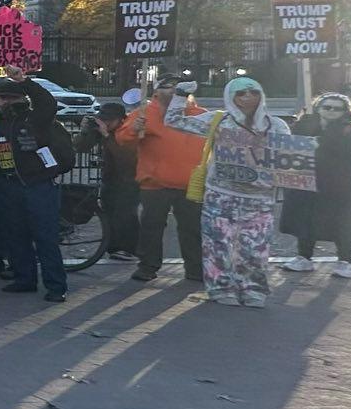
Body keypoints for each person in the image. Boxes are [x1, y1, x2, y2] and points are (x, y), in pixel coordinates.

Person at [163, 76, 300, 307]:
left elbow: (285, 160)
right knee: (217, 245)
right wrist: (180, 95)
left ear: (261, 95)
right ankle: (220, 288)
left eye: (253, 92)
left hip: (259, 198)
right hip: (220, 195)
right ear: (230, 96)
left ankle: (253, 289)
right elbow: (174, 121)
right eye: (241, 93)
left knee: (255, 248)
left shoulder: (276, 125)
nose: (247, 97)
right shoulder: (218, 120)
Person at [0, 67, 72, 302]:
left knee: (45, 238)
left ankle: (56, 287)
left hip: (38, 186)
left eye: (11, 97)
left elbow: (47, 102)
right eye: (3, 98)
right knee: (16, 236)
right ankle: (24, 279)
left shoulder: (35, 119)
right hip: (9, 187)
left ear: (21, 99)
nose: (5, 102)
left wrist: (23, 80)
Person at [124, 76, 206, 283]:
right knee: (151, 226)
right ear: (156, 92)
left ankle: (196, 269)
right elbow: (122, 139)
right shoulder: (143, 114)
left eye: (177, 87)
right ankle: (147, 266)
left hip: (191, 184)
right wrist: (134, 129)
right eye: (168, 87)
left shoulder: (201, 115)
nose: (173, 90)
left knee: (192, 228)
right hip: (155, 183)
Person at [280, 92, 351, 278]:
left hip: (340, 185)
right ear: (318, 108)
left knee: (343, 222)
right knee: (306, 219)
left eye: (337, 108)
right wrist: (304, 123)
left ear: (345, 111)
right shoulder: (308, 124)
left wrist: (322, 141)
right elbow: (292, 143)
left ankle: (345, 261)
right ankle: (304, 257)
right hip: (309, 180)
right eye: (327, 107)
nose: (332, 111)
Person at [75, 101, 139, 264]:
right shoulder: (103, 130)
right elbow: (80, 147)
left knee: (125, 214)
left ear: (121, 119)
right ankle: (113, 247)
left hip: (130, 179)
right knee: (109, 212)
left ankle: (129, 248)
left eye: (110, 120)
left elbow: (123, 157)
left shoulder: (128, 131)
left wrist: (106, 135)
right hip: (110, 178)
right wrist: (85, 132)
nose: (106, 123)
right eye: (103, 119)